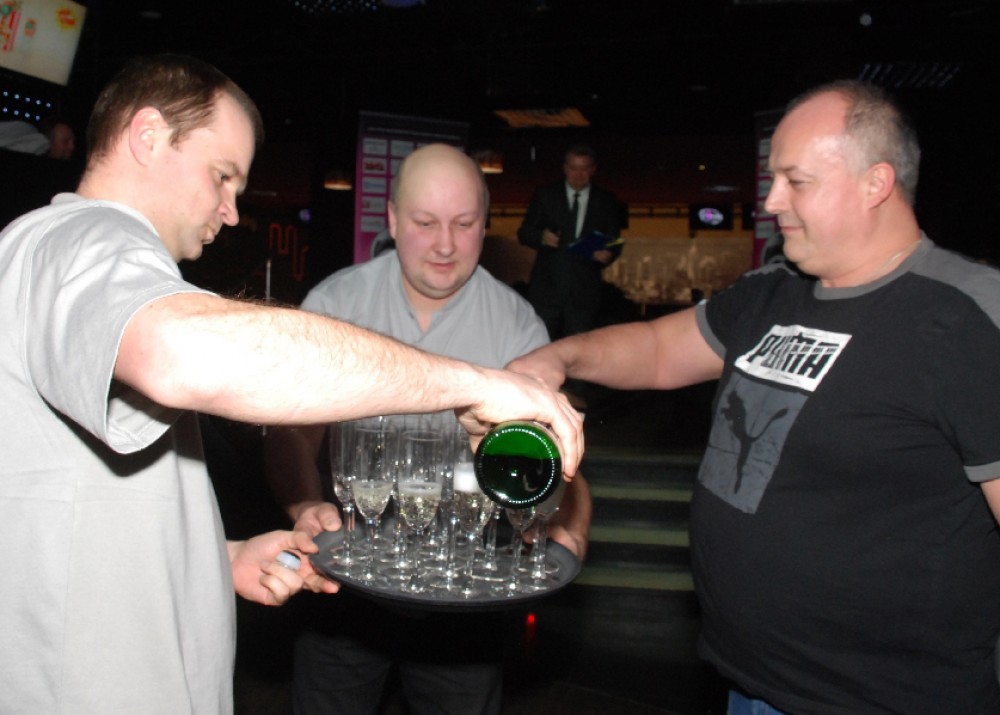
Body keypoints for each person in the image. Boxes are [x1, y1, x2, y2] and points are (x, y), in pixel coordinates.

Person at [0, 55, 583, 714]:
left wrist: (220, 558)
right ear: (148, 137)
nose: (230, 210)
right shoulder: (82, 239)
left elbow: (72, 501)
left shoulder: (68, 254)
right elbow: (183, 352)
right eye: (223, 175)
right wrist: (471, 385)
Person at [508, 80, 1000, 714]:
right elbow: (657, 350)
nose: (771, 200)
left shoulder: (968, 317)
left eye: (797, 181)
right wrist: (558, 358)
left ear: (875, 183)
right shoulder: (773, 291)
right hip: (749, 682)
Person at [264, 143, 592, 714]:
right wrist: (303, 502)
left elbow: (550, 460)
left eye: (463, 225)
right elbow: (289, 432)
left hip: (465, 595)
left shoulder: (518, 326)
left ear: (485, 225)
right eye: (425, 223)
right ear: (392, 220)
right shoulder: (335, 302)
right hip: (347, 584)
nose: (444, 245)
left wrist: (572, 523)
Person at [518, 143, 622, 341]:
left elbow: (614, 240)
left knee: (579, 350)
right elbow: (524, 233)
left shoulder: (606, 200)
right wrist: (541, 236)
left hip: (584, 292)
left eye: (584, 169)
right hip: (547, 289)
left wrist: (608, 253)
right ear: (565, 168)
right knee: (540, 345)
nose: (578, 174)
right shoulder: (546, 195)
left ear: (593, 170)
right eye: (574, 168)